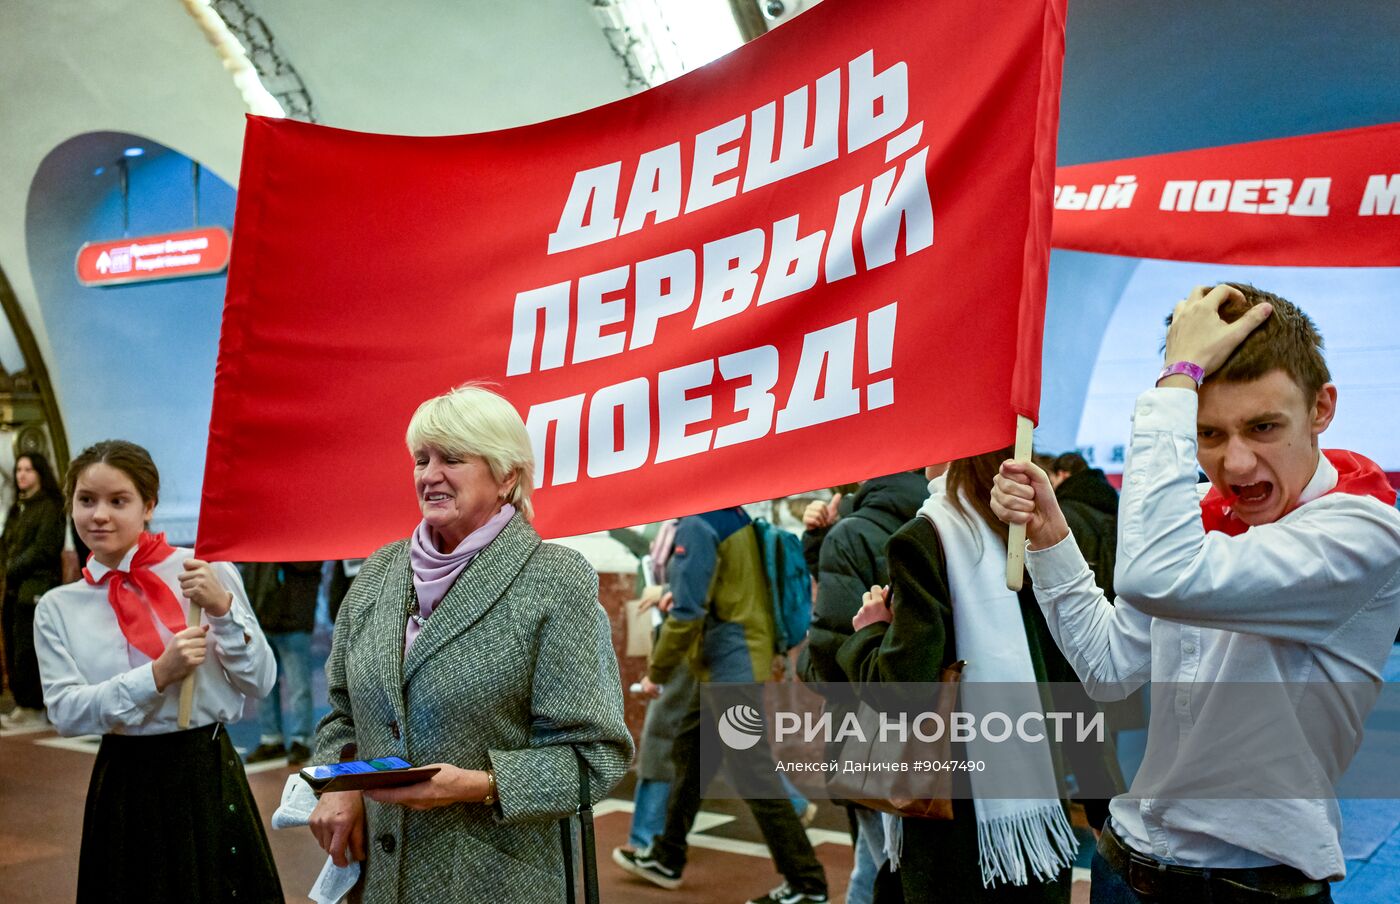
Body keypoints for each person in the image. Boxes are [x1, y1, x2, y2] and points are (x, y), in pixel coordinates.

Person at [992, 284, 1400, 903]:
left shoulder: (1362, 533)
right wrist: (1051, 536)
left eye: (1263, 427)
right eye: (1208, 434)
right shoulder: (1206, 521)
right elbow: (1109, 670)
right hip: (1125, 862)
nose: (1235, 465)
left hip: (1247, 886)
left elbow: (1158, 574)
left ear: (1321, 409)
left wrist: (1177, 382)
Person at [308, 384, 632, 903]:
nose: (429, 475)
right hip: (374, 882)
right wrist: (340, 783)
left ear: (507, 475)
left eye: (452, 458)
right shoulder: (377, 574)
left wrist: (480, 784)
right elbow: (344, 715)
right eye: (421, 459)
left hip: (489, 881)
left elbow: (596, 756)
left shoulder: (553, 579)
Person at [840, 450, 1120, 903]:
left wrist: (867, 635)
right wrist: (1100, 799)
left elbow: (901, 691)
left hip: (951, 814)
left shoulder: (924, 538)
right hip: (1034, 804)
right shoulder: (1033, 528)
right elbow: (1073, 678)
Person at [33, 440, 281, 903]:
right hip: (125, 780)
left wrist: (223, 612)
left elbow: (260, 681)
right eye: (86, 501)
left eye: (118, 501)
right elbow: (66, 712)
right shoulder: (57, 607)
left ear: (149, 505)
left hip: (204, 769)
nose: (99, 515)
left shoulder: (205, 572)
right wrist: (156, 676)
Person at [616, 506, 830, 904]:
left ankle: (808, 884)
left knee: (753, 772)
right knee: (691, 751)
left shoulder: (697, 525)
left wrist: (656, 674)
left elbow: (687, 613)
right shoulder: (733, 516)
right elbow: (717, 591)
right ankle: (667, 856)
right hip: (729, 662)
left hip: (730, 669)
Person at [798, 469, 928, 904]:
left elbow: (832, 660)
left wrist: (804, 665)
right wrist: (822, 542)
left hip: (866, 732)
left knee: (884, 873)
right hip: (933, 727)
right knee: (880, 867)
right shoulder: (939, 521)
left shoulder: (853, 532)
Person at [1, 452, 65, 729]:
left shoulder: (50, 507)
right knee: (14, 646)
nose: (22, 475)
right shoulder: (18, 508)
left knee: (30, 648)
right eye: (18, 470)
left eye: (28, 469)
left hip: (36, 587)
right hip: (14, 589)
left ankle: (36, 705)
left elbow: (44, 549)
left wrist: (13, 566)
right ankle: (22, 702)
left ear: (40, 472)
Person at [244, 560, 322, 764]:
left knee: (298, 685)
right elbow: (251, 575)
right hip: (263, 617)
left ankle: (301, 739)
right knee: (264, 684)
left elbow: (309, 566)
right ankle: (271, 738)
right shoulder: (262, 541)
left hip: (293, 619)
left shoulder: (300, 542)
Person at [1046, 452, 1118, 600]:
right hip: (1113, 598)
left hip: (1078, 600)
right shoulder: (1112, 501)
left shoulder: (1061, 512)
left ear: (1063, 475)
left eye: (1052, 480)